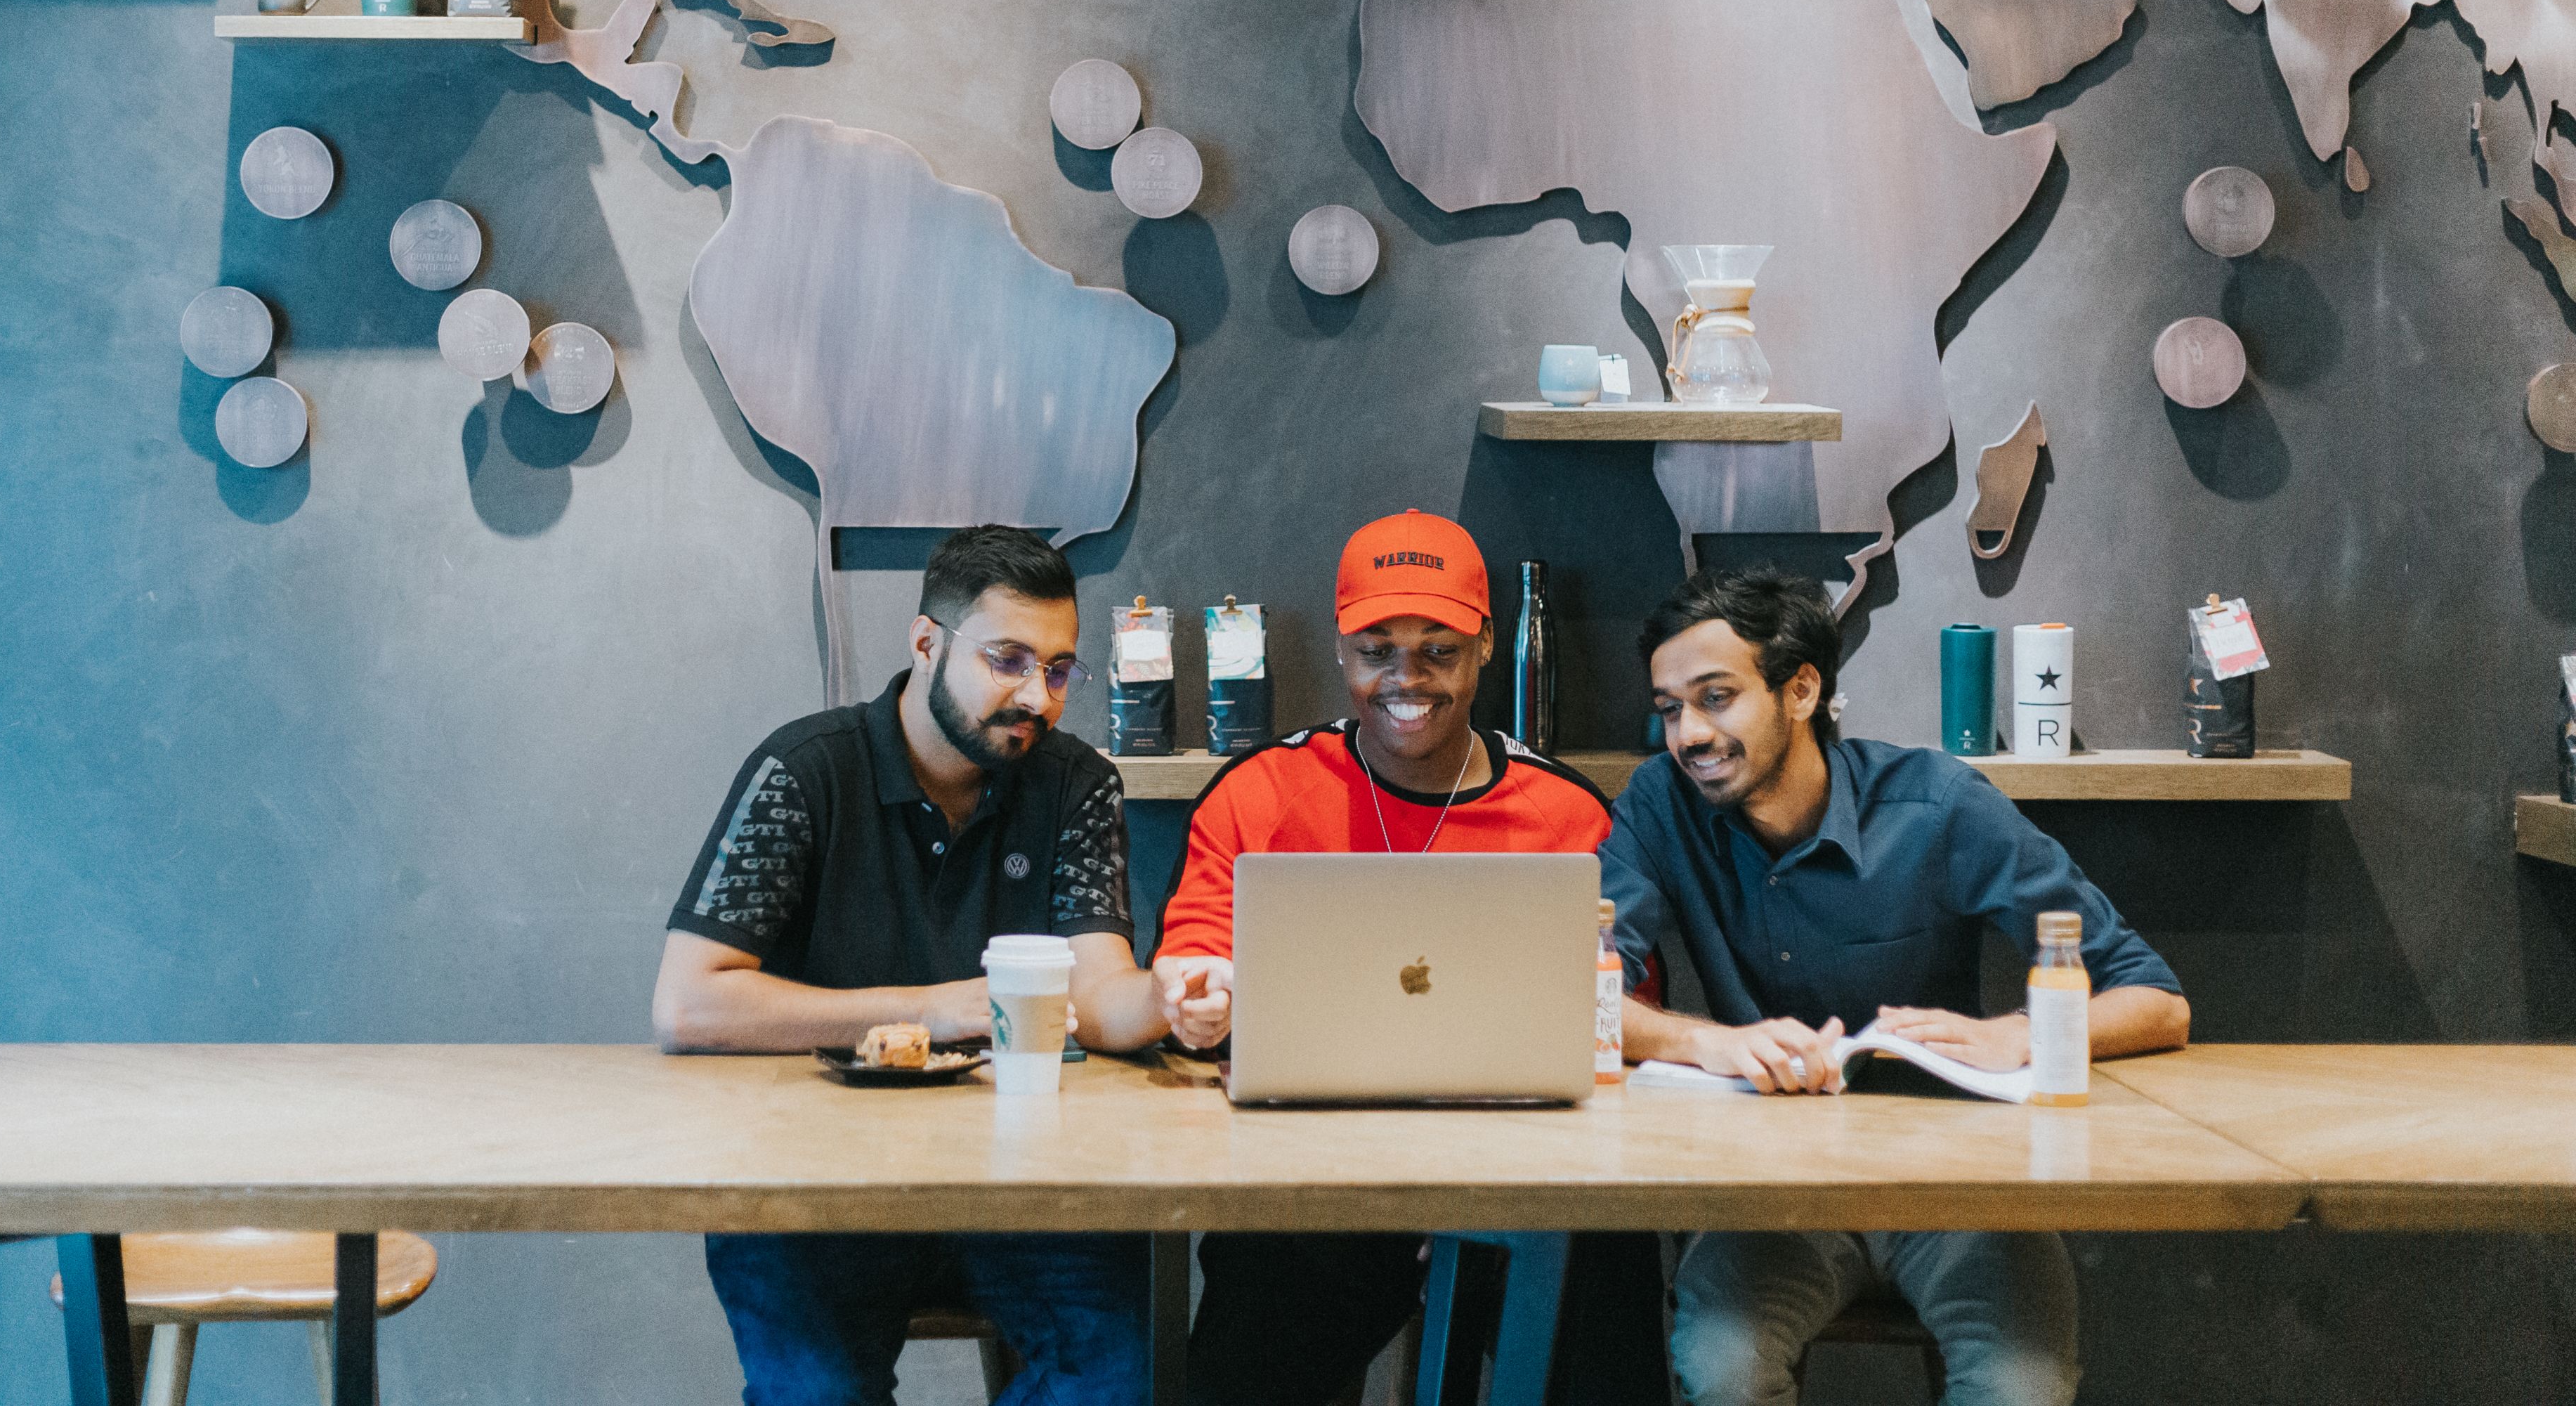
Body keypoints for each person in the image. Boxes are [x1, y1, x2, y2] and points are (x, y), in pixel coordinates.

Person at [1604, 568, 2192, 1406]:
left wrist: (2018, 1034)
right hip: (1771, 1190)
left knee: (2020, 1387)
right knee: (1720, 1370)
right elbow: (1576, 991)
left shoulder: (1938, 804)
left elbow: (2156, 999)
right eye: (1669, 709)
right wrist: (1707, 1040)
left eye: (1716, 697)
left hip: (1960, 1184)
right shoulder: (1659, 804)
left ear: (1800, 690)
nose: (1688, 734)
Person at [1151, 509, 1668, 1406]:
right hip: (1312, 1187)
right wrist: (1198, 998)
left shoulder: (1567, 815)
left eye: (1438, 650)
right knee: (1258, 1314)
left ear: (1485, 646)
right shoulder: (1262, 791)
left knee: (1605, 1254)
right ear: (1341, 647)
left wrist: (1480, 1181)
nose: (1406, 677)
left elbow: (1618, 1023)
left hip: (1522, 1175)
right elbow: (1191, 958)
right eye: (1376, 650)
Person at [654, 525, 1170, 1406]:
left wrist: (1173, 992)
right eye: (1007, 660)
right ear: (927, 641)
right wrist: (926, 1010)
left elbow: (1099, 989)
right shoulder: (804, 770)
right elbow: (687, 1005)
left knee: (1117, 1380)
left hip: (1026, 1183)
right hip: (811, 1184)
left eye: (1057, 670)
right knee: (815, 1396)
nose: (1036, 696)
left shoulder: (1076, 783)